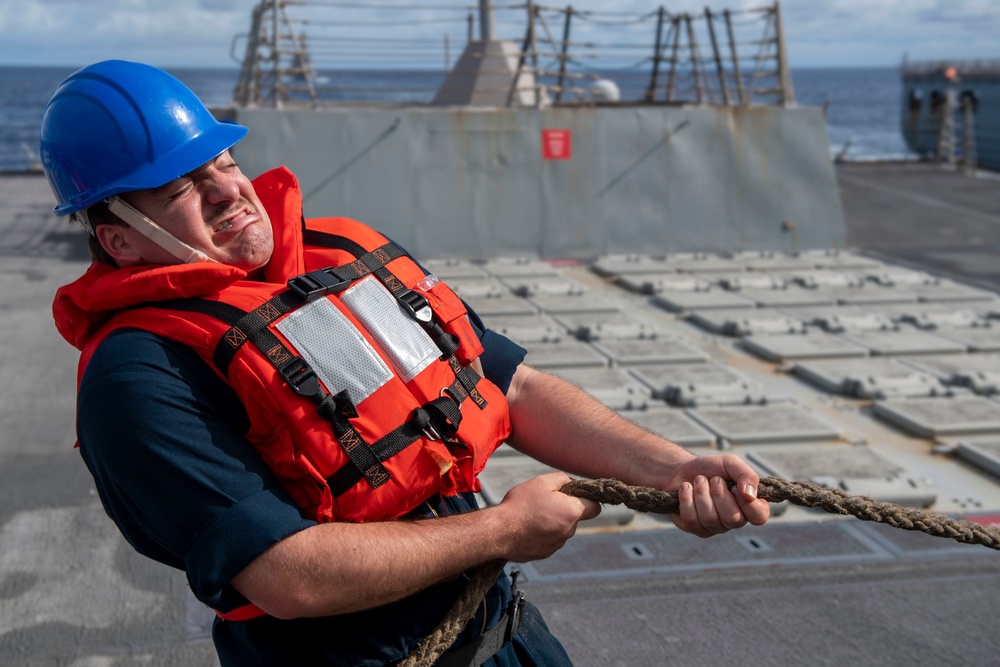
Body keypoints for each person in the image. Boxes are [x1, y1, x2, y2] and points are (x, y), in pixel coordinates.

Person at [45, 60, 769, 666]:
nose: (227, 190)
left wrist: (672, 469)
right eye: (181, 189)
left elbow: (509, 385)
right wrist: (504, 531)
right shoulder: (138, 376)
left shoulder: (345, 257)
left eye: (224, 161)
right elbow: (284, 574)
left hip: (506, 638)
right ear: (121, 243)